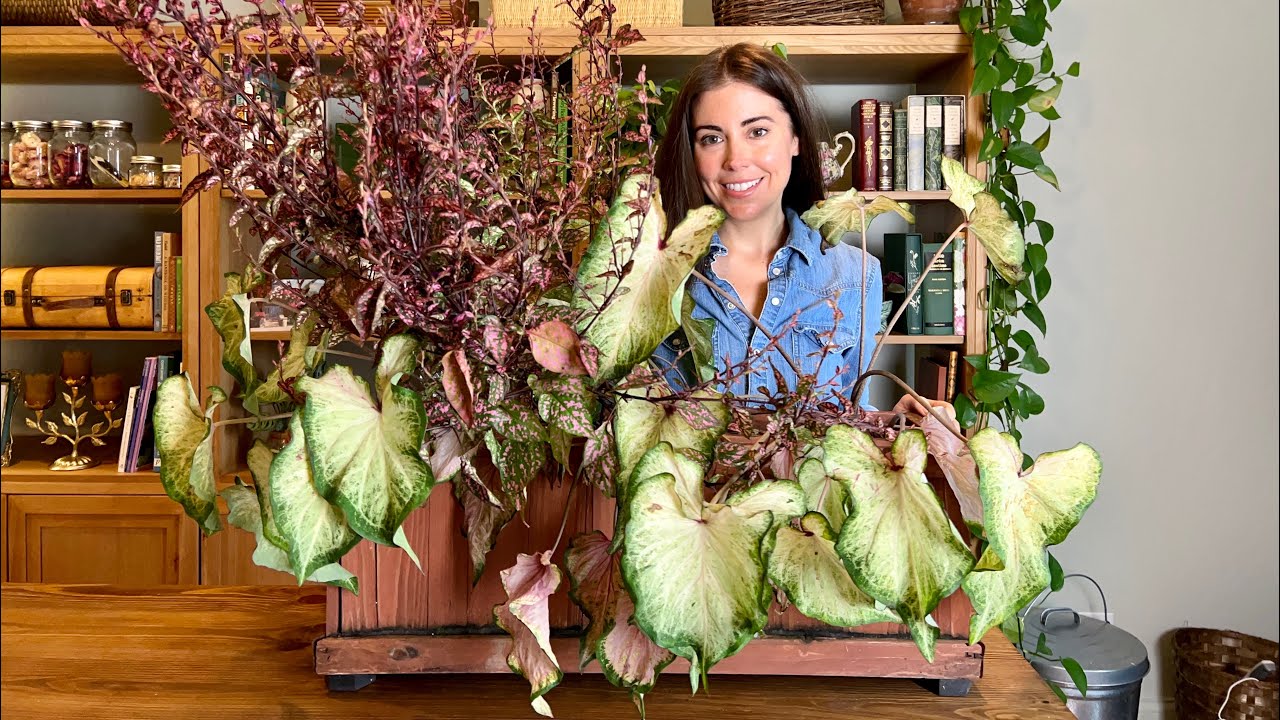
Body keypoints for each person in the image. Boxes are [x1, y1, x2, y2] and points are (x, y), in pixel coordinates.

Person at [650, 42, 952, 422]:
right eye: (712, 138)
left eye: (757, 131)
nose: (736, 160)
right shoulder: (657, 273)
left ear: (795, 139)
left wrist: (893, 420)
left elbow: (844, 416)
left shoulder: (856, 276)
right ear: (691, 153)